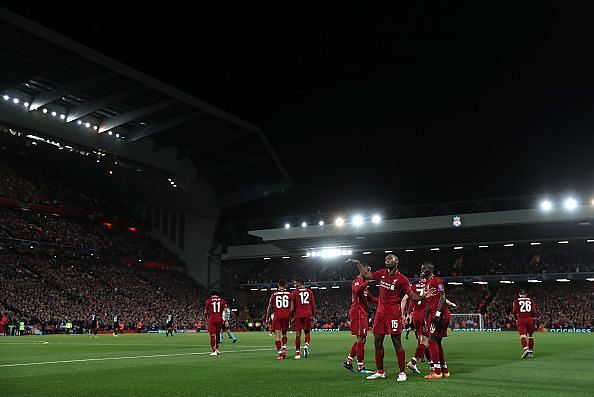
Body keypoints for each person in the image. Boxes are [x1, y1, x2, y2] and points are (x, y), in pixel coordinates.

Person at [347, 255, 433, 382]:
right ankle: (380, 371)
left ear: (397, 262)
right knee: (377, 342)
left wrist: (423, 297)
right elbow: (365, 275)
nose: (387, 260)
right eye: (386, 259)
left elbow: (411, 295)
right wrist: (358, 263)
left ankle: (402, 372)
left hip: (393, 314)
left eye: (390, 259)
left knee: (396, 342)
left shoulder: (402, 279)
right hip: (380, 314)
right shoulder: (381, 273)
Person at [343, 265, 378, 374]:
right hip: (358, 313)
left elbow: (370, 298)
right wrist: (368, 282)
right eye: (367, 271)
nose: (368, 273)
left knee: (360, 340)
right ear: (361, 271)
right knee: (361, 339)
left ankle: (349, 362)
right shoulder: (356, 282)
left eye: (369, 271)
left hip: (362, 313)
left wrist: (383, 302)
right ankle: (360, 367)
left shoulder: (364, 285)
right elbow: (358, 290)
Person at [421, 263, 451, 379]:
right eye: (422, 268)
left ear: (431, 270)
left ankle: (437, 372)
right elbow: (430, 302)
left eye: (425, 268)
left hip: (440, 315)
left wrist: (437, 314)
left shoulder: (436, 281)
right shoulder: (427, 283)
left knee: (432, 341)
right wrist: (425, 317)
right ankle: (444, 370)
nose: (422, 270)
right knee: (437, 342)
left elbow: (442, 297)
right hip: (435, 314)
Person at [401, 277, 431, 374]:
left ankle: (431, 363)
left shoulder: (413, 285)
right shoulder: (429, 284)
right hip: (426, 315)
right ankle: (413, 361)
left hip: (416, 316)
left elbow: (404, 300)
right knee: (426, 341)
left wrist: (405, 314)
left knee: (422, 340)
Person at [289, 279, 316, 359]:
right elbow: (313, 305)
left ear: (299, 283)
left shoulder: (294, 292)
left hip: (298, 315)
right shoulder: (310, 292)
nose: (294, 285)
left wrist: (291, 317)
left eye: (295, 283)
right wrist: (313, 315)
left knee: (298, 334)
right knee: (307, 332)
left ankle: (297, 354)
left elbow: (292, 308)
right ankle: (306, 345)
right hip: (307, 314)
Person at [265, 279, 291, 360]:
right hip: (286, 316)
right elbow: (292, 306)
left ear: (278, 285)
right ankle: (284, 348)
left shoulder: (274, 294)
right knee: (284, 334)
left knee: (277, 335)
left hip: (277, 316)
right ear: (285, 285)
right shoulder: (289, 294)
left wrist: (267, 317)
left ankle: (280, 354)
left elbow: (269, 307)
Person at [512, 289, 537, 359]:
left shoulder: (516, 301)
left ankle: (526, 349)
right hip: (529, 319)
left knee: (523, 335)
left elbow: (514, 311)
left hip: (521, 319)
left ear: (519, 295)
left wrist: (516, 319)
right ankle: (531, 352)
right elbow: (534, 312)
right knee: (531, 336)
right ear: (526, 295)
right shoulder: (531, 301)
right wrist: (532, 318)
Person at [205, 290, 227, 356]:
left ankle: (214, 350)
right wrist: (226, 321)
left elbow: (205, 311)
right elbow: (225, 311)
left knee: (212, 335)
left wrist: (206, 317)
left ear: (211, 295)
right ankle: (217, 349)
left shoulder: (208, 301)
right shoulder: (222, 301)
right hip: (220, 319)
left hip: (212, 319)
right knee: (218, 334)